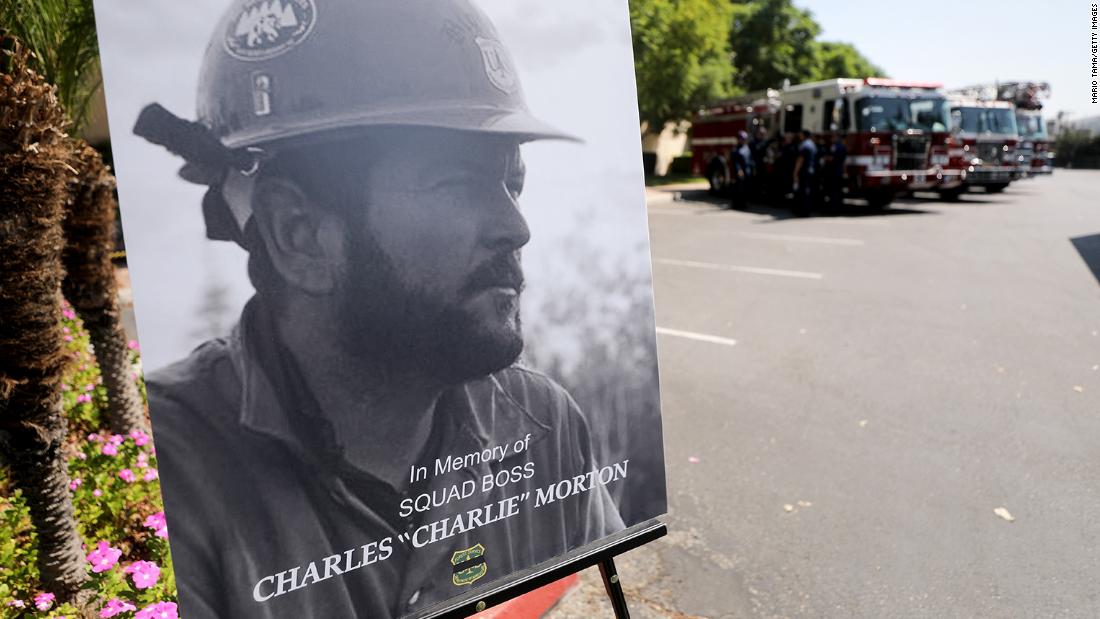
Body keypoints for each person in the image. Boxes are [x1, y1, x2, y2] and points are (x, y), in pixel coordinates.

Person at [133, 1, 625, 617]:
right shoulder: (174, 476)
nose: (515, 226)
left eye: (511, 183)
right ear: (299, 235)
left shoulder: (542, 424)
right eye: (456, 183)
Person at [791, 129, 818, 216]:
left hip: (804, 171)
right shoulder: (813, 145)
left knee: (802, 192)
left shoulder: (804, 145)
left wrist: (795, 172)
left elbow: (800, 160)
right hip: (811, 171)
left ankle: (802, 211)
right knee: (808, 191)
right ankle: (807, 210)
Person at [823, 133, 847, 208]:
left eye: (833, 137)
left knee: (834, 190)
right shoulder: (843, 146)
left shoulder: (835, 146)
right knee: (838, 190)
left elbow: (833, 158)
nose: (831, 139)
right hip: (839, 171)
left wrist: (825, 158)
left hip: (834, 171)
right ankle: (838, 205)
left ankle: (834, 206)